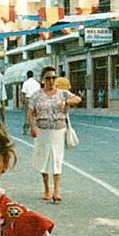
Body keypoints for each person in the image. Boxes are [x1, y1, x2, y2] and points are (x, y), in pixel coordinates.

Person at [28, 65, 82, 203]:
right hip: (42, 130)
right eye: (48, 78)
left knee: (57, 159)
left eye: (53, 78)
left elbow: (78, 99)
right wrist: (32, 126)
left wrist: (66, 102)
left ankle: (57, 190)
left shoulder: (62, 93)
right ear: (42, 80)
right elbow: (30, 114)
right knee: (44, 159)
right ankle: (47, 188)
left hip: (58, 129)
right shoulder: (36, 95)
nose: (51, 81)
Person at [20, 69, 40, 135]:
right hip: (35, 99)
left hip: (28, 99)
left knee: (26, 115)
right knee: (35, 115)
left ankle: (25, 130)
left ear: (27, 76)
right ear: (33, 75)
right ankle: (35, 129)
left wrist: (22, 101)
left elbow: (23, 93)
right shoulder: (37, 83)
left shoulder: (25, 83)